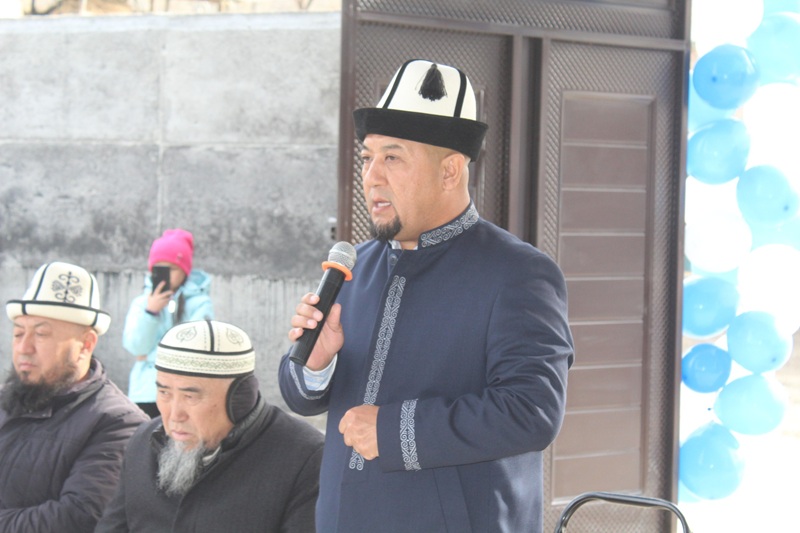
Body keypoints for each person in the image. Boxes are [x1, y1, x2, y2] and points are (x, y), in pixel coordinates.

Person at [278, 59, 575, 533]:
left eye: (392, 158)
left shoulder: (518, 274)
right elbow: (299, 393)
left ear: (450, 171)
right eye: (367, 158)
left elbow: (531, 411)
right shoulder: (352, 266)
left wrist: (393, 433)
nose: (372, 176)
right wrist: (316, 365)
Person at [96, 319, 325, 533]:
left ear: (240, 399)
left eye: (190, 397)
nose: (174, 415)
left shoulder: (303, 457)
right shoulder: (142, 441)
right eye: (164, 393)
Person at [0, 261, 148, 532]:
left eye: (41, 334)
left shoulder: (118, 422)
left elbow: (78, 516)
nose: (24, 347)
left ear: (85, 344)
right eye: (18, 333)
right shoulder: (7, 398)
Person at [123, 228, 214, 417]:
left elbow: (197, 347)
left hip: (185, 390)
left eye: (171, 269)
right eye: (158, 269)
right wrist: (151, 312)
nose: (165, 275)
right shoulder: (142, 303)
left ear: (184, 271)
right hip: (145, 391)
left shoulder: (199, 303)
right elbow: (136, 346)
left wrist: (149, 357)